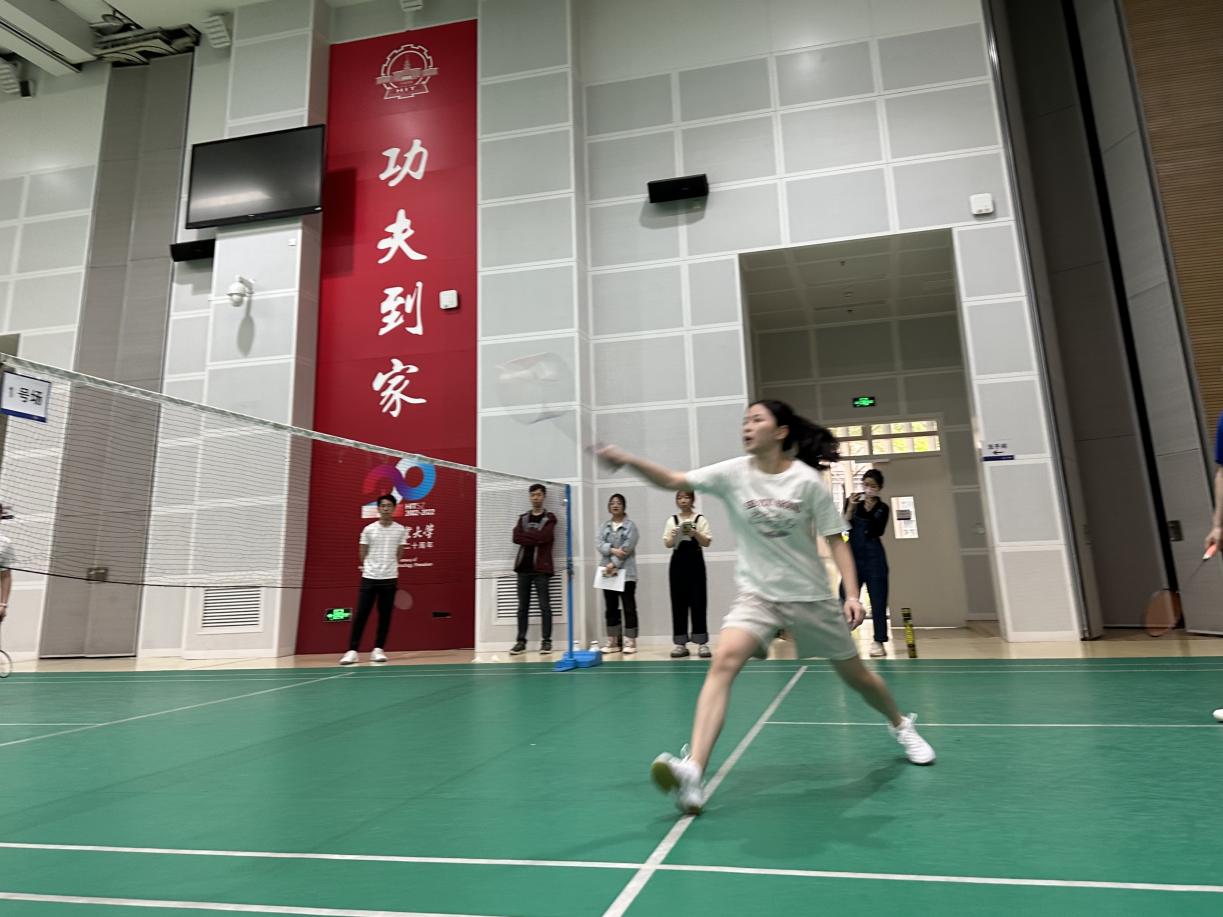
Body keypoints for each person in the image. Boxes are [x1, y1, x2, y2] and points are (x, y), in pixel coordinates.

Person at [597, 399, 935, 815]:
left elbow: (836, 539)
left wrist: (851, 594)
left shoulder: (806, 481)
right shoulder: (733, 473)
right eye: (745, 420)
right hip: (757, 596)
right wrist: (627, 459)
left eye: (757, 419)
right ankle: (693, 771)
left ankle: (901, 724)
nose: (747, 425)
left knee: (858, 677)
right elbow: (672, 480)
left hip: (809, 597)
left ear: (780, 432)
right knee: (723, 661)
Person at [340, 494, 408, 665]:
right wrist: (372, 567)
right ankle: (352, 651)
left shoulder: (400, 530)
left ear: (394, 508)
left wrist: (388, 567)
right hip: (369, 578)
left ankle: (378, 649)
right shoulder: (369, 529)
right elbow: (362, 553)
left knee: (385, 616)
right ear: (378, 508)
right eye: (383, 505)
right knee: (361, 614)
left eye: (389, 506)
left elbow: (399, 553)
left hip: (389, 578)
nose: (386, 508)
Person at [842, 468, 891, 658]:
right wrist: (851, 508)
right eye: (866, 484)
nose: (868, 488)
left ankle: (879, 641)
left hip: (874, 558)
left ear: (879, 488)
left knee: (878, 599)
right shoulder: (853, 502)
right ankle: (842, 636)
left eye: (873, 486)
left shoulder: (882, 508)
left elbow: (877, 530)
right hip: (854, 556)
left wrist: (869, 510)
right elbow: (843, 526)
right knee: (844, 594)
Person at [664, 490, 711, 658]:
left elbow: (707, 542)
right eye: (679, 498)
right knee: (678, 603)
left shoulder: (700, 519)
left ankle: (702, 643)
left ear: (692, 499)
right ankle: (680, 643)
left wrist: (695, 533)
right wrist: (675, 535)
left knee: (699, 601)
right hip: (677, 564)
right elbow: (667, 544)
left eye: (686, 497)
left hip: (696, 563)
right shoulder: (672, 520)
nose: (683, 500)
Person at [511, 483, 557, 655]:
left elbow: (546, 537)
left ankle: (546, 642)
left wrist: (528, 536)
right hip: (523, 569)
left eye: (538, 494)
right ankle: (520, 642)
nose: (536, 498)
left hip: (541, 570)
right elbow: (516, 537)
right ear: (529, 497)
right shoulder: (523, 518)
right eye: (533, 495)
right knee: (522, 607)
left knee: (545, 606)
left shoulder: (550, 518)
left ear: (544, 496)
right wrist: (536, 538)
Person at [596, 493, 640, 654]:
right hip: (608, 572)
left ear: (624, 506)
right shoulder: (604, 526)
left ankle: (630, 641)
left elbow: (627, 549)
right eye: (612, 503)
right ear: (609, 507)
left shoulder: (631, 526)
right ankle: (613, 641)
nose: (615, 505)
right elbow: (599, 544)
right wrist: (613, 550)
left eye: (618, 503)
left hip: (626, 572)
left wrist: (613, 563)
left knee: (629, 607)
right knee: (611, 607)